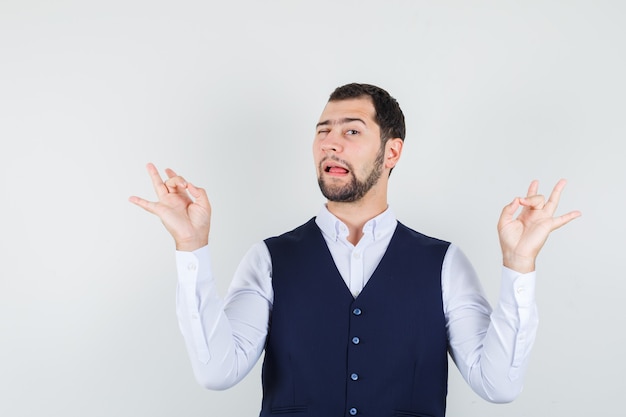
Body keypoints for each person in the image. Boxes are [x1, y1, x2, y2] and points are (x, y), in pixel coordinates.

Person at [129, 83, 581, 417]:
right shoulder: (269, 260)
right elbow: (216, 372)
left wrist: (520, 264)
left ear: (392, 152)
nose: (331, 141)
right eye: (323, 130)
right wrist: (191, 246)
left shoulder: (443, 264)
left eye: (351, 131)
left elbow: (498, 385)